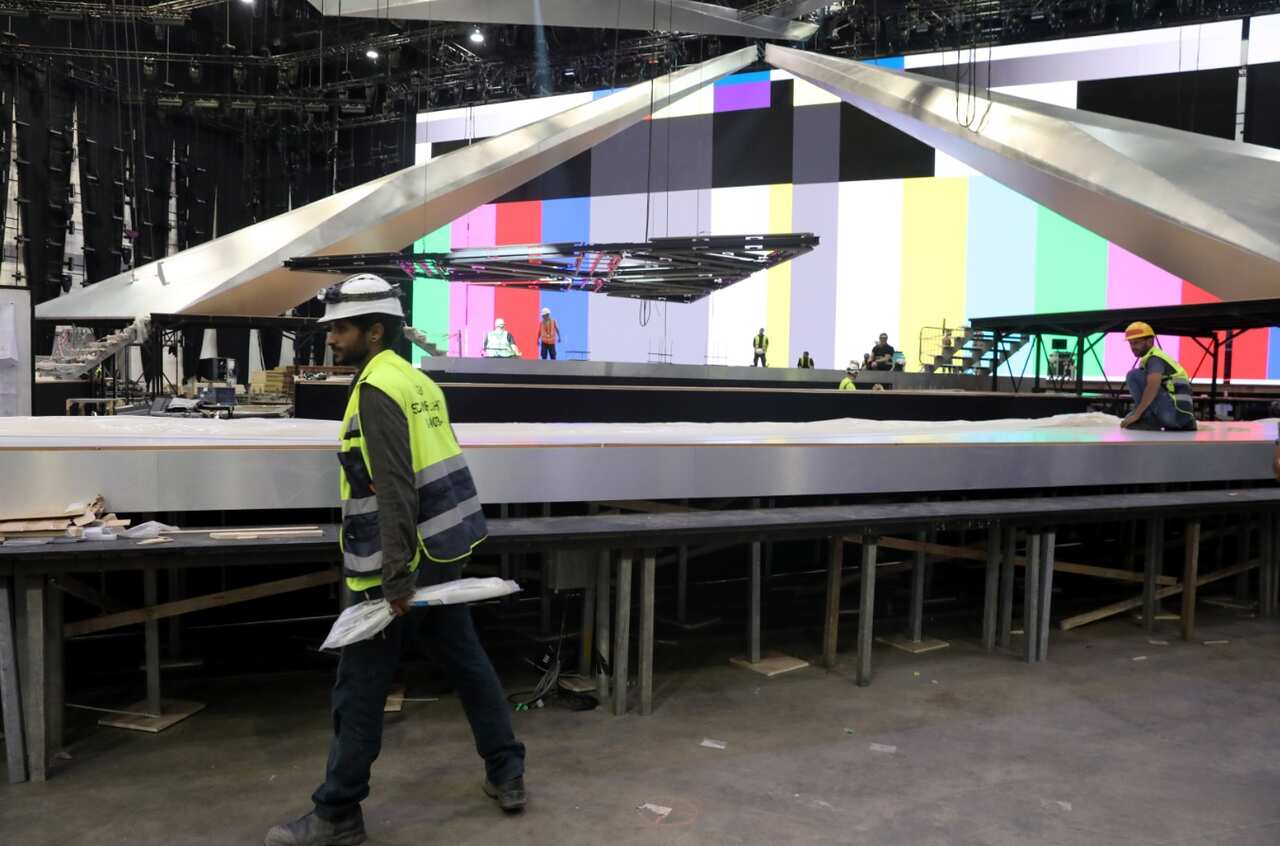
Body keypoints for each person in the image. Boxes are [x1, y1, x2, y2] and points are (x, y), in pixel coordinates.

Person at [266, 274, 526, 846]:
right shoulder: (416, 381)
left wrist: (394, 578)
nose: (332, 339)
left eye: (341, 328)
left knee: (358, 687)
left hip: (400, 561)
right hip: (442, 549)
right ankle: (507, 771)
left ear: (375, 330)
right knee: (468, 664)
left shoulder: (379, 388)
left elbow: (394, 489)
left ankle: (336, 814)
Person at [1120, 321, 1196, 431]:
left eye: (1136, 343)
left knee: (1133, 375)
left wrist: (1137, 414)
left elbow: (1152, 387)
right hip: (1182, 417)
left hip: (1173, 415)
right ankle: (1150, 419)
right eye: (1130, 343)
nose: (1132, 347)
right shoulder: (1154, 358)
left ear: (1150, 341)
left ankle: (1148, 420)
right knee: (1129, 420)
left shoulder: (1154, 359)